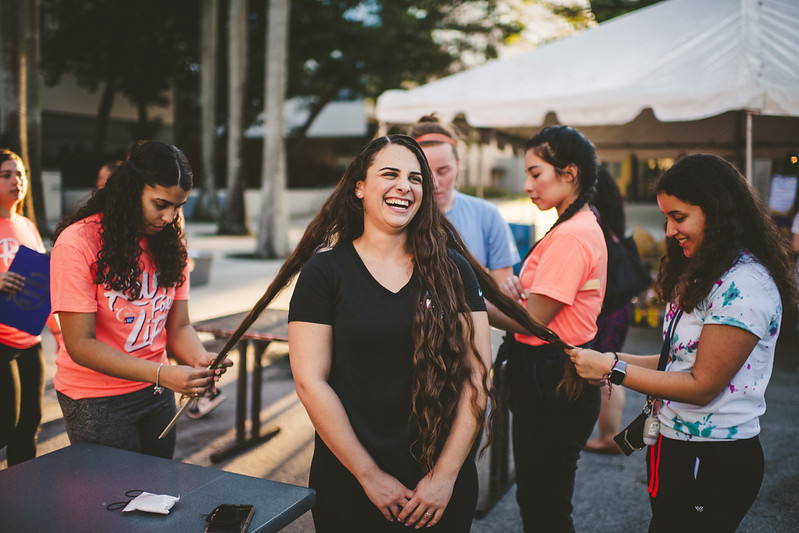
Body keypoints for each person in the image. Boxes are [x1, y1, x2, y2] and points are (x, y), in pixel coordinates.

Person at [218, 134, 559, 532]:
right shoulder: (325, 273)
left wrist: (445, 477)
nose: (405, 186)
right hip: (350, 482)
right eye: (390, 174)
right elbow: (311, 382)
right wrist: (369, 476)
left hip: (441, 486)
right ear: (359, 187)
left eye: (416, 178)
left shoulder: (453, 270)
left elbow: (477, 377)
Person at [569, 154, 798, 532]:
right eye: (666, 218)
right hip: (676, 443)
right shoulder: (707, 272)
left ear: (717, 211)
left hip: (713, 457)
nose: (669, 230)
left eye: (679, 217)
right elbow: (678, 361)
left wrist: (614, 370)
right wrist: (613, 358)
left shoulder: (744, 285)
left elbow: (701, 386)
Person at [50, 141, 230, 459]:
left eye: (178, 206)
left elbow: (179, 327)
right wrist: (162, 373)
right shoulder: (78, 243)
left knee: (157, 492)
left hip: (156, 392)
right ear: (131, 190)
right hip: (96, 398)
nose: (168, 217)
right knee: (113, 499)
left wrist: (199, 359)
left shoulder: (171, 244)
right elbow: (80, 344)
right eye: (160, 203)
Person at [487, 125, 606, 532]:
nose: (527, 185)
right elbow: (537, 306)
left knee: (544, 507)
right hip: (551, 376)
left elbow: (533, 320)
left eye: (536, 174)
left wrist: (469, 301)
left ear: (569, 173)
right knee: (541, 500)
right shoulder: (575, 225)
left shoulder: (571, 236)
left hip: (553, 380)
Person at [0, 149, 63, 466]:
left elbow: (43, 286)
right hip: (1, 343)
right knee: (5, 426)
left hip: (31, 342)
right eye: (6, 175)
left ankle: (20, 496)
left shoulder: (27, 226)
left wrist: (59, 333)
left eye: (21, 174)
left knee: (29, 425)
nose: (17, 181)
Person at [409, 114, 520, 284]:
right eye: (424, 172)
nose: (434, 183)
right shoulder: (400, 217)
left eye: (443, 171)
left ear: (458, 164)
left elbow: (503, 293)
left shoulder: (487, 215)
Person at [584, 167, 634, 454]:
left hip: (607, 309)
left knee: (606, 372)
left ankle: (609, 436)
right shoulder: (612, 220)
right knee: (609, 370)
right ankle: (610, 434)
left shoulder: (592, 220)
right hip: (619, 306)